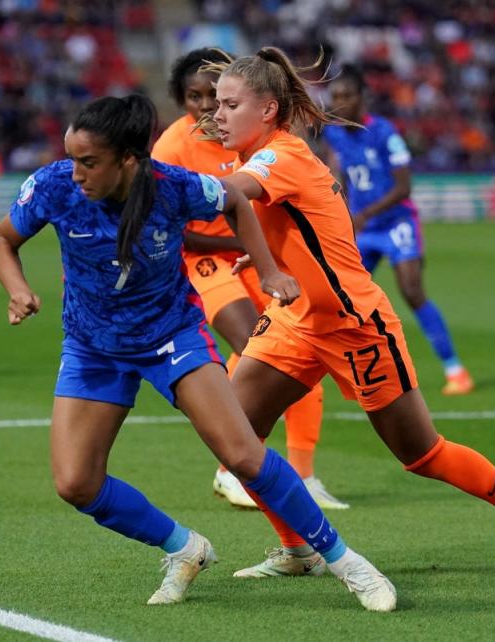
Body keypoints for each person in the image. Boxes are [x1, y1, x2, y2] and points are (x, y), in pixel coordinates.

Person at [0, 95, 397, 611]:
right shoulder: (52, 186)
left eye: (88, 162)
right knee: (75, 483)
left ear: (128, 160)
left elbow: (236, 202)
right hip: (93, 346)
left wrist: (268, 270)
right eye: (71, 158)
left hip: (172, 335)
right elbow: (2, 242)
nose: (75, 173)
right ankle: (185, 548)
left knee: (243, 455)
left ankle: (345, 560)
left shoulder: (174, 186)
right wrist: (16, 288)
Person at [199, 48, 495, 579]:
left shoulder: (279, 156)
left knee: (421, 454)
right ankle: (299, 548)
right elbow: (297, 221)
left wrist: (156, 189)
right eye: (216, 103)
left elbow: (229, 194)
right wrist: (276, 255)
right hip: (295, 319)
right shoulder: (260, 154)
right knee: (236, 440)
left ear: (267, 111)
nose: (217, 114)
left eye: (229, 104)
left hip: (355, 326)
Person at [151, 48, 348, 512]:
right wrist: (239, 250)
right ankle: (230, 467)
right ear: (182, 100)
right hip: (203, 260)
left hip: (253, 258)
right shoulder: (173, 146)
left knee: (302, 358)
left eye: (213, 96)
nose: (205, 106)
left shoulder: (250, 137)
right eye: (194, 96)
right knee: (255, 343)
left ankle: (303, 474)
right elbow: (175, 224)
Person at [321, 65, 474, 395]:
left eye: (346, 95)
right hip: (363, 228)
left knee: (411, 290)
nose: (340, 102)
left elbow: (404, 187)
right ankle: (354, 369)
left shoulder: (385, 133)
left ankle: (455, 370)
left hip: (396, 223)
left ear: (362, 97)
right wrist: (342, 212)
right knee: (341, 297)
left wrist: (364, 214)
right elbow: (338, 175)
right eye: (335, 97)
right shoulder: (334, 134)